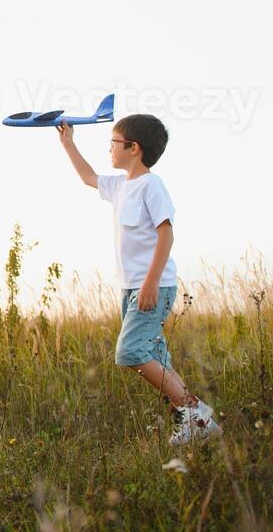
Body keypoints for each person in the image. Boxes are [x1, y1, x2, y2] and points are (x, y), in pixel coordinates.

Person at [57, 113, 221, 446]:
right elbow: (88, 176)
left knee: (130, 352)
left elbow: (166, 235)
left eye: (114, 143)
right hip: (130, 287)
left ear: (134, 148)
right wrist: (68, 143)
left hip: (152, 286)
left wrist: (150, 283)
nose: (110, 149)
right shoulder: (120, 186)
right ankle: (199, 423)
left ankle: (196, 412)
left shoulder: (151, 185)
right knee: (156, 357)